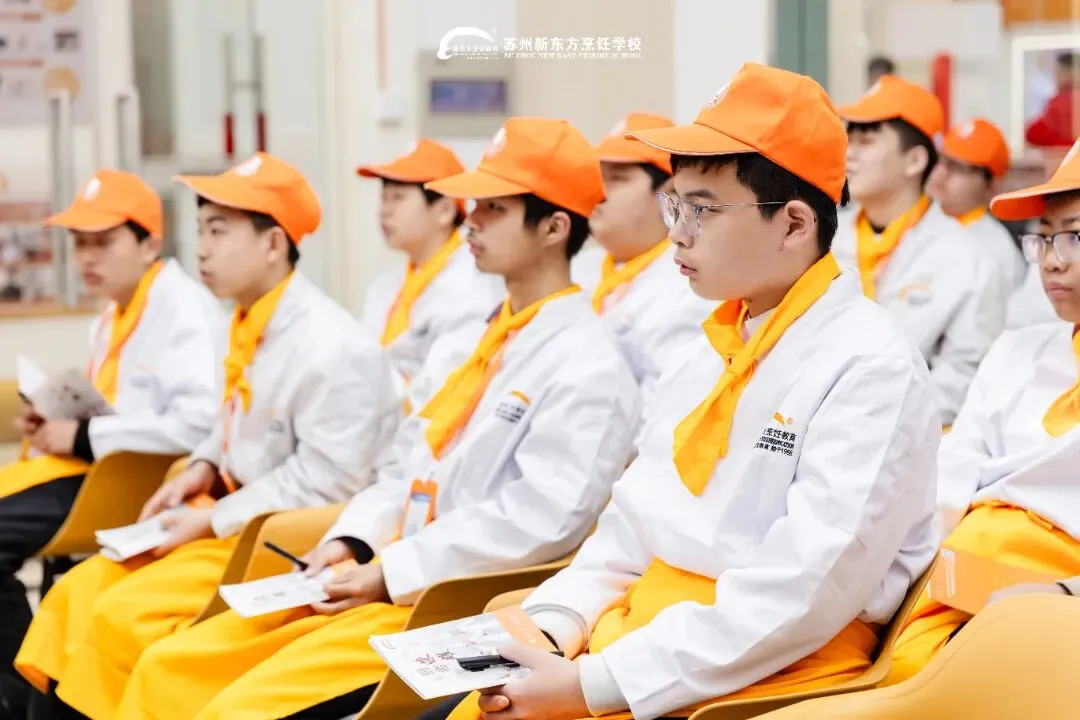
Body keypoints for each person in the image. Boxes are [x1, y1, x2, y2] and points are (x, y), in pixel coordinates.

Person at [431, 62, 940, 720]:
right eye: (676, 205)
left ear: (793, 225)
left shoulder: (871, 366)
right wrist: (556, 625)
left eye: (703, 209)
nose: (677, 232)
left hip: (769, 665)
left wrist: (593, 683)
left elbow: (805, 592)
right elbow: (629, 526)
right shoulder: (713, 346)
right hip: (644, 631)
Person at [104, 117, 642, 720]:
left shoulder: (589, 367)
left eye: (493, 208)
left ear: (553, 227)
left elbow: (538, 521)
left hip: (447, 603)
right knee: (173, 665)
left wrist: (392, 571)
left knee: (231, 706)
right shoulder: (471, 341)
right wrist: (354, 540)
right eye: (473, 205)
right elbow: (403, 465)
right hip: (385, 574)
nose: (470, 221)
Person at [14, 152, 402, 720]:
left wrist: (211, 518)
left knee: (118, 617)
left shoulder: (334, 347)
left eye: (218, 231)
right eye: (199, 230)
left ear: (273, 243)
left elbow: (326, 482)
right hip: (224, 518)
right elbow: (225, 425)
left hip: (279, 538)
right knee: (76, 591)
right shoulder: (240, 324)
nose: (201, 248)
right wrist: (200, 466)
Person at [0, 169, 221, 719]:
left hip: (137, 485)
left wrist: (80, 434)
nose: (88, 258)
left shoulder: (183, 309)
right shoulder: (110, 317)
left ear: (149, 243)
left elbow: (198, 423)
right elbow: (114, 408)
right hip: (91, 469)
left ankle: (19, 695)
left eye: (103, 243)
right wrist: (55, 421)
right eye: (80, 245)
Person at [886, 139, 1080, 685]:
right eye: (1044, 238)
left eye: (1075, 236)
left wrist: (1063, 594)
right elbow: (951, 478)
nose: (1052, 259)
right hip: (956, 578)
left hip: (1051, 603)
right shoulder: (1017, 352)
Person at [833, 74, 1005, 426]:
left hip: (905, 436)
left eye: (866, 141)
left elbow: (964, 376)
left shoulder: (969, 260)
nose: (849, 153)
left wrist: (872, 417)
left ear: (914, 161)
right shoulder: (821, 239)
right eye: (848, 139)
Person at [584, 111, 714, 411]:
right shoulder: (580, 267)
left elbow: (667, 409)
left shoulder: (689, 286)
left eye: (617, 179)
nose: (597, 192)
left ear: (670, 194)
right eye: (597, 178)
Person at [357, 138, 503, 398]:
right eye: (384, 197)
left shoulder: (472, 288)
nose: (384, 211)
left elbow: (440, 392)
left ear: (445, 210)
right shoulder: (388, 285)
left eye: (398, 197)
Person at [928, 118, 1025, 291]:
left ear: (991, 186)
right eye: (942, 159)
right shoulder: (916, 219)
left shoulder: (997, 252)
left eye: (959, 167)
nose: (942, 172)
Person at [1026, 52, 1079, 148]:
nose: (1055, 78)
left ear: (1067, 74)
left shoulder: (1061, 101)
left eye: (1057, 73)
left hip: (1064, 154)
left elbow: (1033, 134)